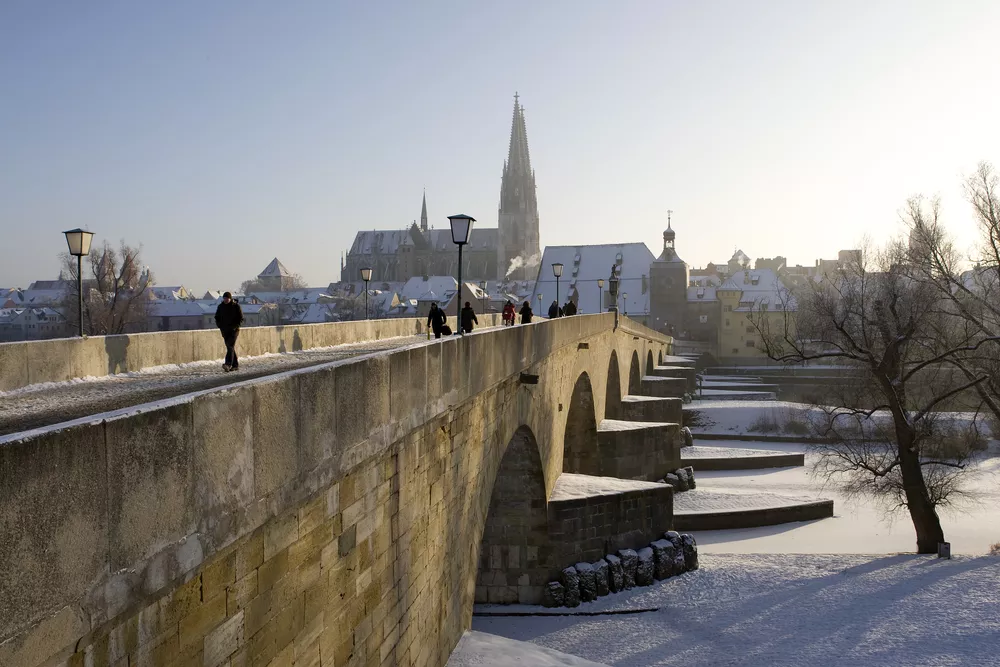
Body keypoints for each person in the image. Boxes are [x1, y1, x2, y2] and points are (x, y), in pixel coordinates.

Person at [214, 292, 244, 372]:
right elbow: (217, 317)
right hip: (224, 330)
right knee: (230, 347)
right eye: (224, 298)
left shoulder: (236, 306)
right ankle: (235, 365)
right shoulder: (221, 307)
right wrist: (219, 325)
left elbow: (241, 318)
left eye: (227, 298)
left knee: (230, 346)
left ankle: (228, 364)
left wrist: (235, 326)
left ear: (230, 299)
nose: (226, 300)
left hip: (234, 330)